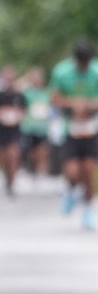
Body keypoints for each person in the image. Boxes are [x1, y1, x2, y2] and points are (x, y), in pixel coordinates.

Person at [49, 41, 98, 229]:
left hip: (91, 128)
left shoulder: (96, 72)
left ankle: (87, 210)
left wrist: (89, 105)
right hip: (70, 129)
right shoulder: (62, 72)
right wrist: (73, 104)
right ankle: (71, 190)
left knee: (89, 171)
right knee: (72, 172)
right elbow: (54, 98)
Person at [0, 66, 27, 194]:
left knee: (13, 155)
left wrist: (17, 116)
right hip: (0, 131)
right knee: (2, 157)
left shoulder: (19, 96)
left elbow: (24, 110)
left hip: (14, 131)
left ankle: (12, 182)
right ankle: (6, 175)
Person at [20, 66, 53, 180]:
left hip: (43, 127)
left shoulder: (47, 93)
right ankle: (32, 170)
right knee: (32, 152)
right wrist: (27, 76)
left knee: (43, 151)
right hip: (30, 127)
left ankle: (42, 173)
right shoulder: (28, 93)